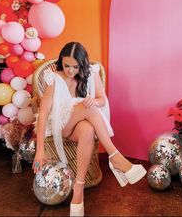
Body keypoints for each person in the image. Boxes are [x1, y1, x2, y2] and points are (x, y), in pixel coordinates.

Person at [33, 41, 146, 216]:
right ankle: (115, 157)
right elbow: (43, 114)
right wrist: (39, 150)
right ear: (61, 61)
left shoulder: (91, 73)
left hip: (80, 124)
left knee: (87, 130)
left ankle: (78, 190)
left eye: (75, 67)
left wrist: (94, 101)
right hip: (60, 124)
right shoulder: (53, 78)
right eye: (66, 65)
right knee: (88, 109)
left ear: (83, 64)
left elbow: (101, 99)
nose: (70, 71)